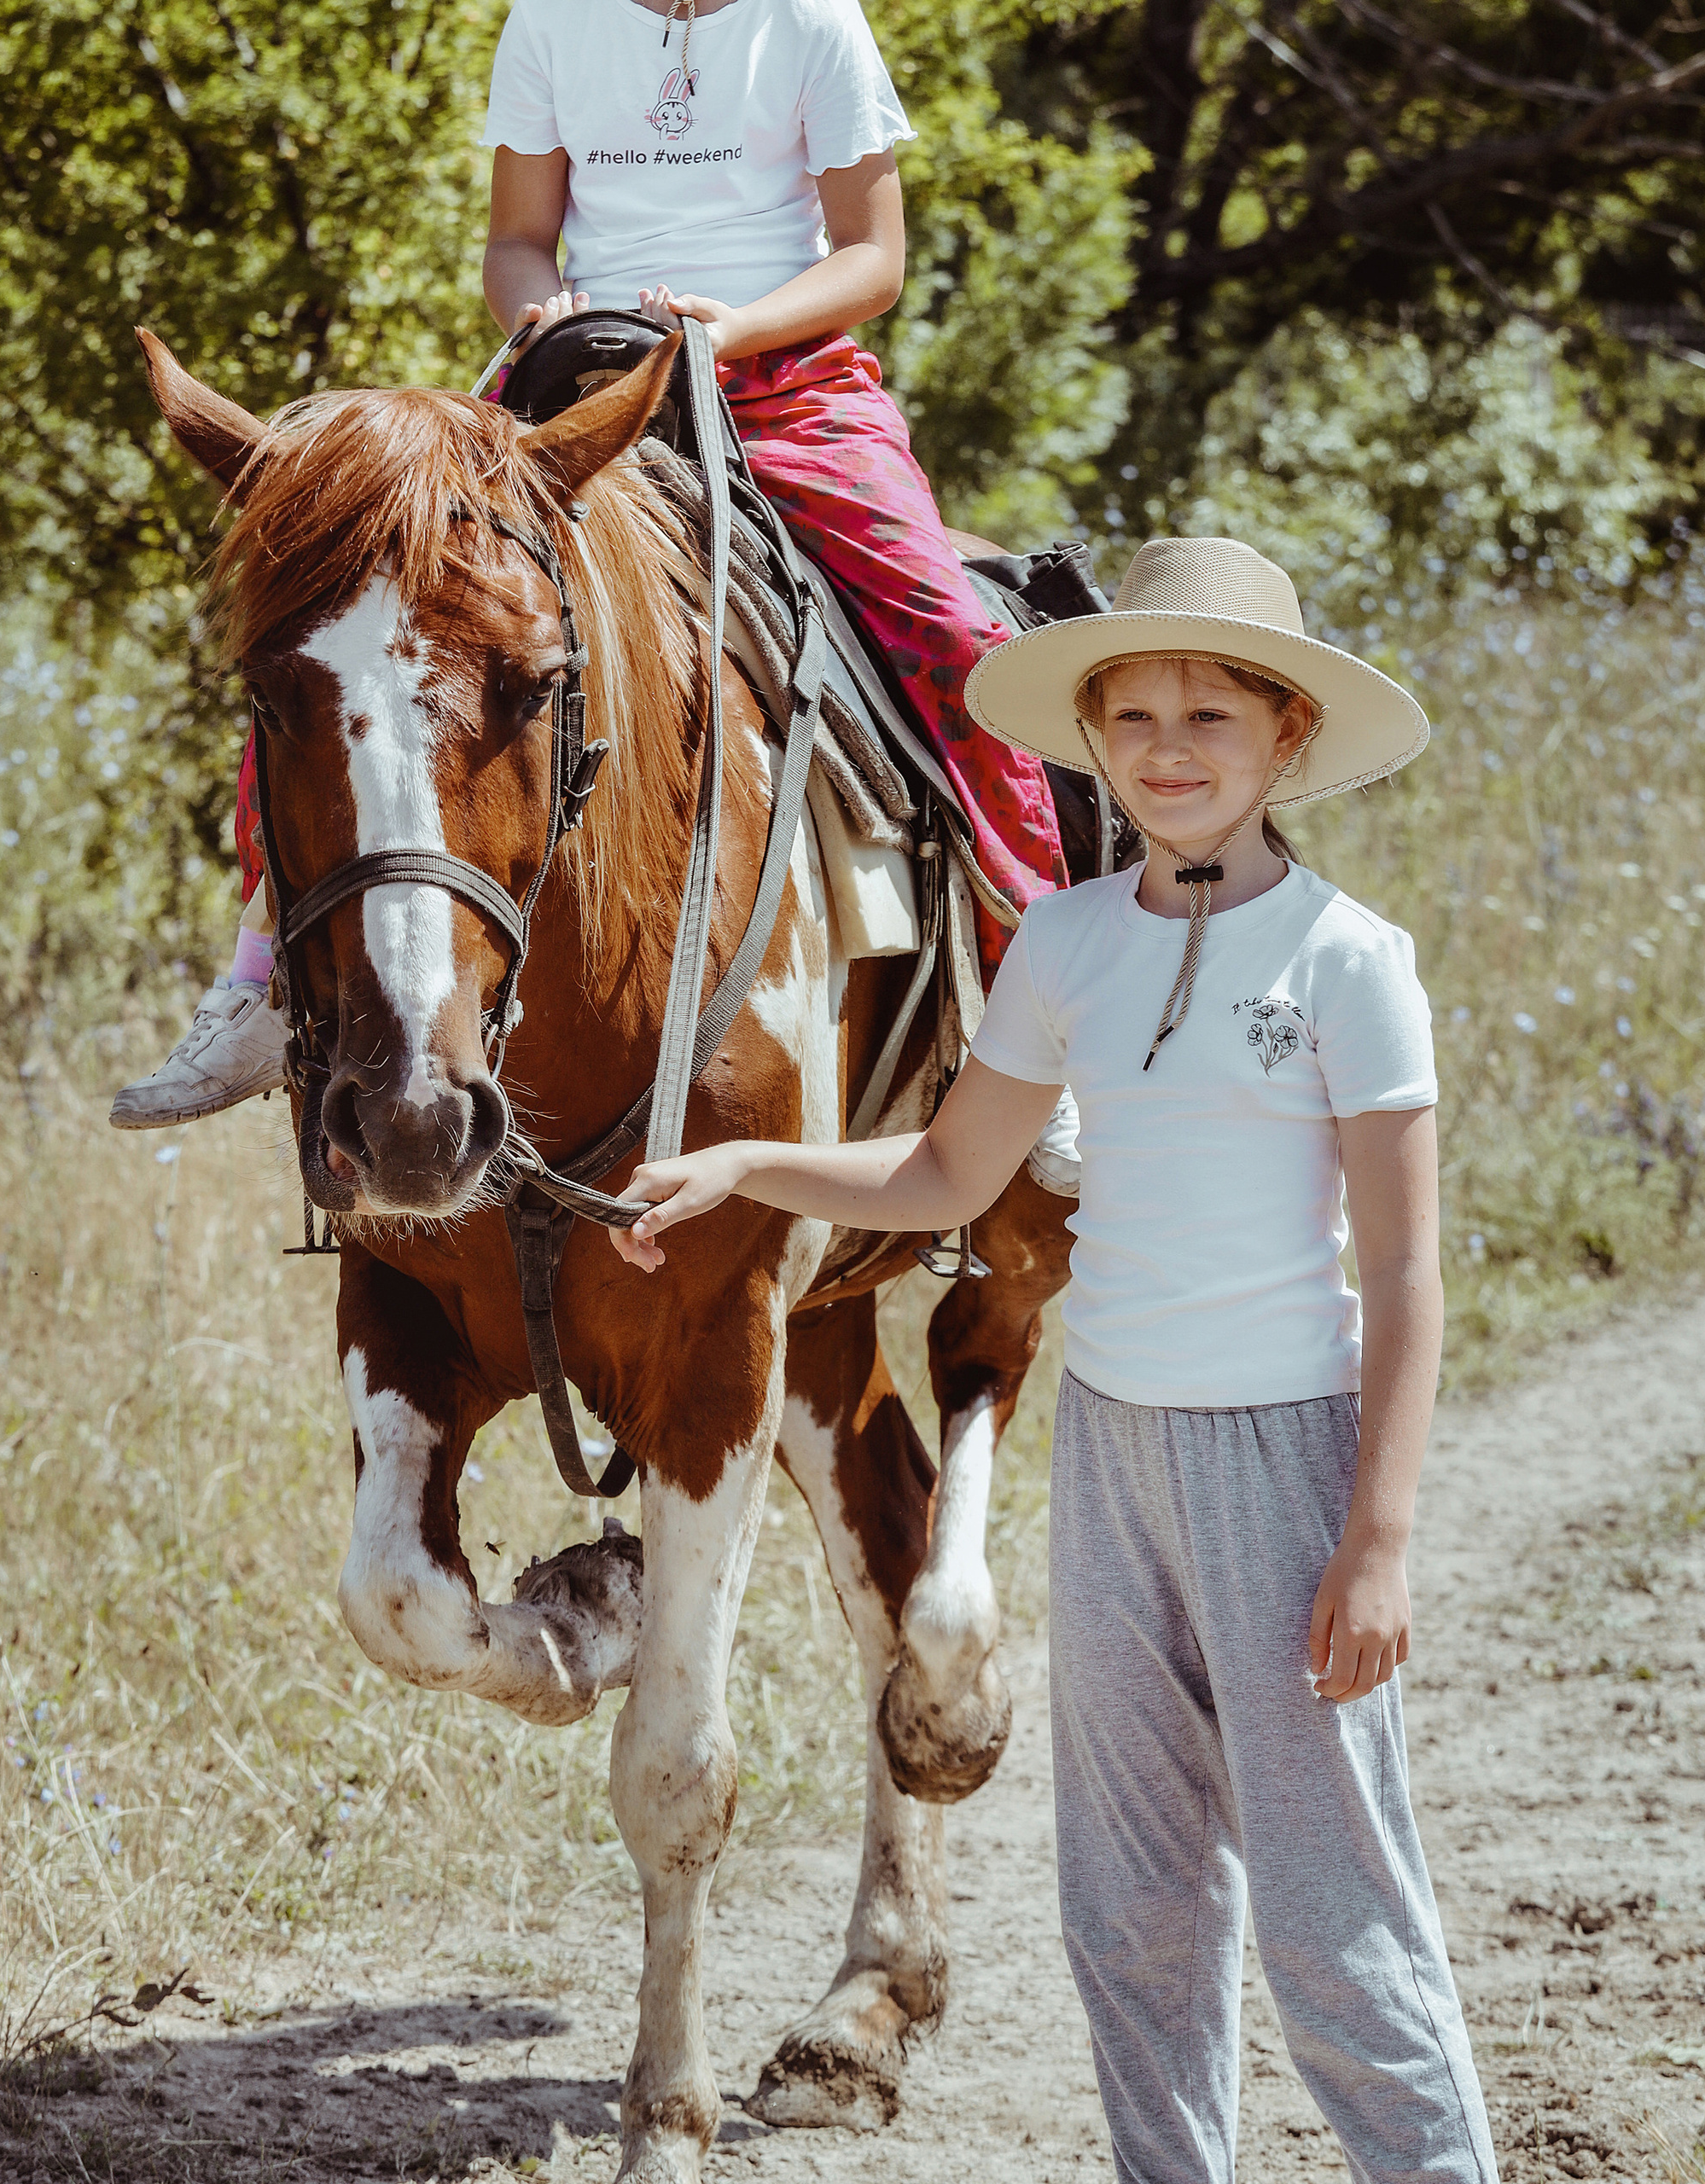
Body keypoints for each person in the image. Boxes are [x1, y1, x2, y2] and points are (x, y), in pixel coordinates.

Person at [609, 537, 1499, 2184]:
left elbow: (1403, 1268)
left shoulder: (1348, 962)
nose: (1170, 747)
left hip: (1285, 1460)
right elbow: (945, 1175)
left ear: (1287, 735)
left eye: (1212, 713)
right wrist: (748, 1168)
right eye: (1135, 714)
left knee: (1329, 1897)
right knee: (1130, 1897)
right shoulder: (1066, 942)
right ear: (1091, 742)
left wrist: (1376, 1538)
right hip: (1109, 1455)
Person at [110, 0, 1068, 1129]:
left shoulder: (813, 21)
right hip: (568, 385)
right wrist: (538, 309)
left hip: (785, 381)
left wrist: (732, 331)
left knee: (959, 643)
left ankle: (1031, 1001)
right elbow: (518, 239)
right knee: (345, 619)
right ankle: (258, 978)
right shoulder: (553, 19)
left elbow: (873, 254)